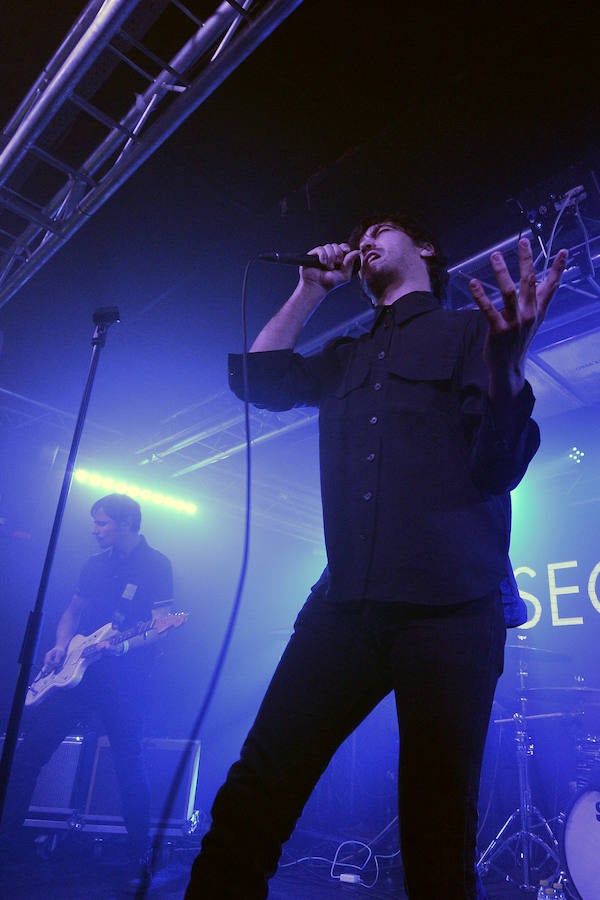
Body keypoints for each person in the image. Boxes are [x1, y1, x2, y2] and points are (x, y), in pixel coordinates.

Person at [185, 213, 568, 899]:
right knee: (254, 793)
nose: (364, 238)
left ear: (425, 246)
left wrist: (508, 368)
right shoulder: (346, 354)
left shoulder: (469, 332)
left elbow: (497, 467)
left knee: (436, 830)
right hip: (345, 603)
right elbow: (261, 380)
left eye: (381, 228)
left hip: (450, 607)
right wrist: (308, 292)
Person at [0, 492, 174, 884]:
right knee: (27, 755)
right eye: (95, 522)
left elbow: (166, 621)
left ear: (126, 522)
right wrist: (61, 645)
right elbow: (72, 612)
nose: (94, 530)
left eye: (102, 523)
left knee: (128, 763)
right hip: (78, 672)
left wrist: (125, 644)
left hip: (124, 681)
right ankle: (6, 841)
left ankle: (139, 853)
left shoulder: (156, 564)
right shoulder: (94, 565)